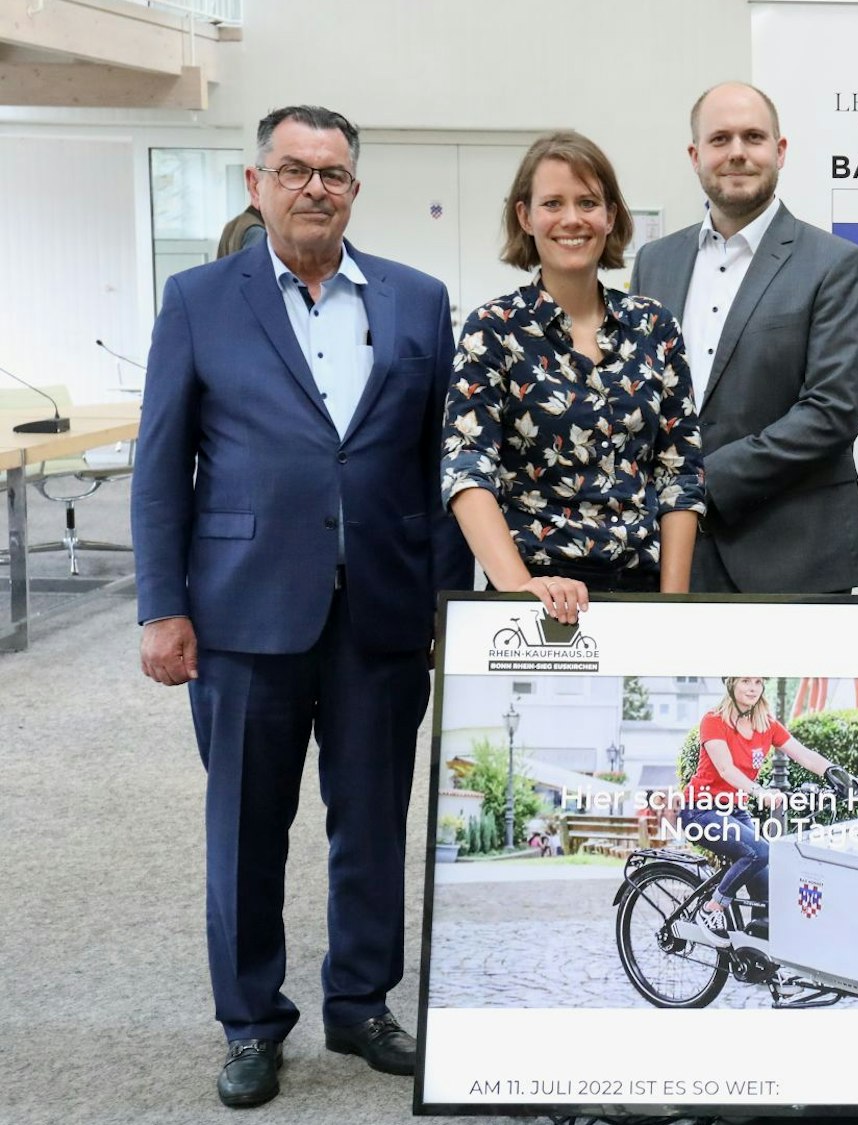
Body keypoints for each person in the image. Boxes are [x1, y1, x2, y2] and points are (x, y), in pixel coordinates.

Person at [131, 104, 473, 1109]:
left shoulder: (416, 301)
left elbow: (437, 465)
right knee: (245, 826)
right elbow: (160, 469)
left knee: (370, 820)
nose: (314, 187)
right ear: (256, 184)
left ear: (354, 190)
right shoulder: (198, 300)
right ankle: (249, 1021)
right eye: (294, 170)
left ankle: (361, 1003)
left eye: (332, 173)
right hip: (242, 613)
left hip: (381, 613)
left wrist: (442, 603)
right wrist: (162, 605)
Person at [442, 130, 705, 620]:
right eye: (552, 203)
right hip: (536, 593)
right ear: (525, 216)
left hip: (643, 593)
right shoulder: (494, 329)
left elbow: (679, 473)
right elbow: (467, 469)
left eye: (588, 202)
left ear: (610, 216)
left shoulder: (654, 325)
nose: (571, 219)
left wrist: (674, 610)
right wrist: (520, 589)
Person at [632, 81, 858, 593]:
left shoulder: (837, 264)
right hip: (671, 553)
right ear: (696, 155)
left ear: (780, 151)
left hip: (796, 558)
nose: (737, 153)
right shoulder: (655, 263)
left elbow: (831, 411)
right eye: (720, 139)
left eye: (753, 137)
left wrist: (699, 481)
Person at [681, 677, 857, 938]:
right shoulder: (713, 721)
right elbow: (725, 768)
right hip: (701, 810)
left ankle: (758, 947)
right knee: (758, 852)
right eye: (745, 681)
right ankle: (712, 907)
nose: (752, 688)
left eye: (758, 682)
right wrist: (759, 792)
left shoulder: (766, 724)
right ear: (731, 684)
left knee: (765, 878)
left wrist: (836, 774)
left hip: (735, 810)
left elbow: (804, 755)